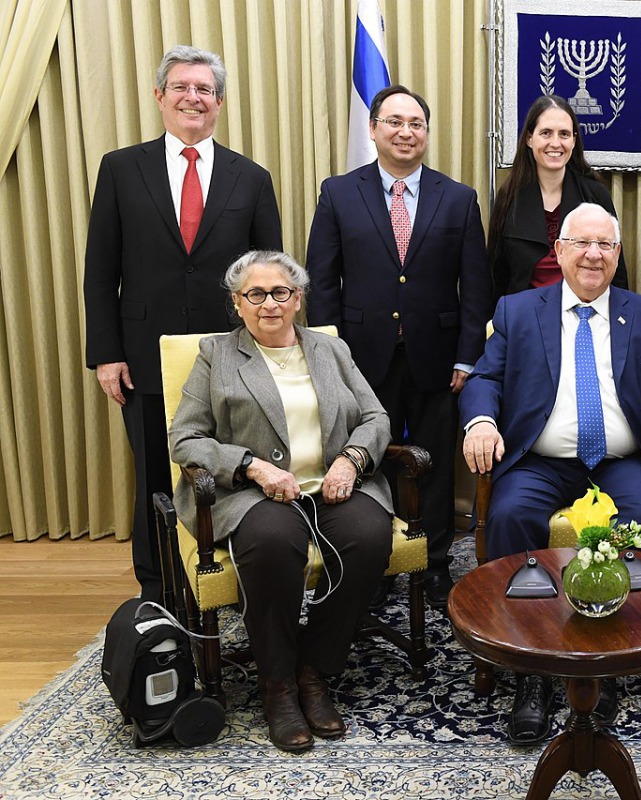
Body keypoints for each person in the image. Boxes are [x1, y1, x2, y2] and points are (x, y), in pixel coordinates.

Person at [460, 203, 641, 744]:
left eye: (605, 245)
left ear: (617, 256)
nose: (593, 254)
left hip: (620, 461)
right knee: (511, 517)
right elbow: (483, 378)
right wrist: (479, 421)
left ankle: (613, 659)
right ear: (560, 251)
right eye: (582, 243)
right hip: (541, 461)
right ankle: (528, 672)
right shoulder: (518, 310)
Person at [169, 251, 394, 752]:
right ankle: (278, 687)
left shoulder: (330, 349)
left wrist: (352, 458)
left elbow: (376, 417)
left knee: (370, 536)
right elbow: (184, 438)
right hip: (254, 494)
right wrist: (251, 465)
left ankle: (314, 671)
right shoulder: (217, 355)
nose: (269, 304)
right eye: (256, 294)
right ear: (237, 303)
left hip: (334, 485)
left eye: (281, 293)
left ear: (298, 300)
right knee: (272, 542)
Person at [84, 45, 283, 606]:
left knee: (231, 470)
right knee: (154, 475)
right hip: (143, 354)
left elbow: (271, 273)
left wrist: (273, 348)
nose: (193, 98)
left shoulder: (252, 177)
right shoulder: (122, 168)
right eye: (182, 88)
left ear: (219, 103)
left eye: (205, 90)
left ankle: (233, 579)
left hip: (233, 359)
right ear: (160, 97)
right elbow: (100, 270)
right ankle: (159, 588)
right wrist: (106, 353)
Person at [306, 84, 491, 608]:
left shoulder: (458, 198)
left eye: (416, 123)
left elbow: (475, 286)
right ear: (373, 129)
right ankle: (377, 559)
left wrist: (467, 355)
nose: (406, 132)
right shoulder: (339, 193)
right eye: (394, 122)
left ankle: (432, 564)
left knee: (431, 462)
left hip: (437, 358)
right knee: (368, 459)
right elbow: (323, 282)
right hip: (360, 360)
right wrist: (327, 356)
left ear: (427, 133)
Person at [488, 94, 629, 299]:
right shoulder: (509, 197)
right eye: (546, 133)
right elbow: (496, 275)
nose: (555, 143)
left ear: (574, 140)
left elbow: (617, 272)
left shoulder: (596, 195)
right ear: (529, 138)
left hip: (585, 315)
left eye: (564, 134)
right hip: (526, 317)